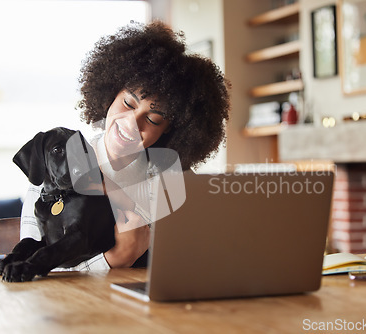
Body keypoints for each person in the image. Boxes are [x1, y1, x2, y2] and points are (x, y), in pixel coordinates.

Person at [20, 21, 230, 270]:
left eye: (153, 119)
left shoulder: (173, 182)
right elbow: (34, 269)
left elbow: (198, 259)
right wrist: (115, 260)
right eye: (129, 104)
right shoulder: (54, 168)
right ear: (110, 95)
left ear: (169, 131)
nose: (132, 122)